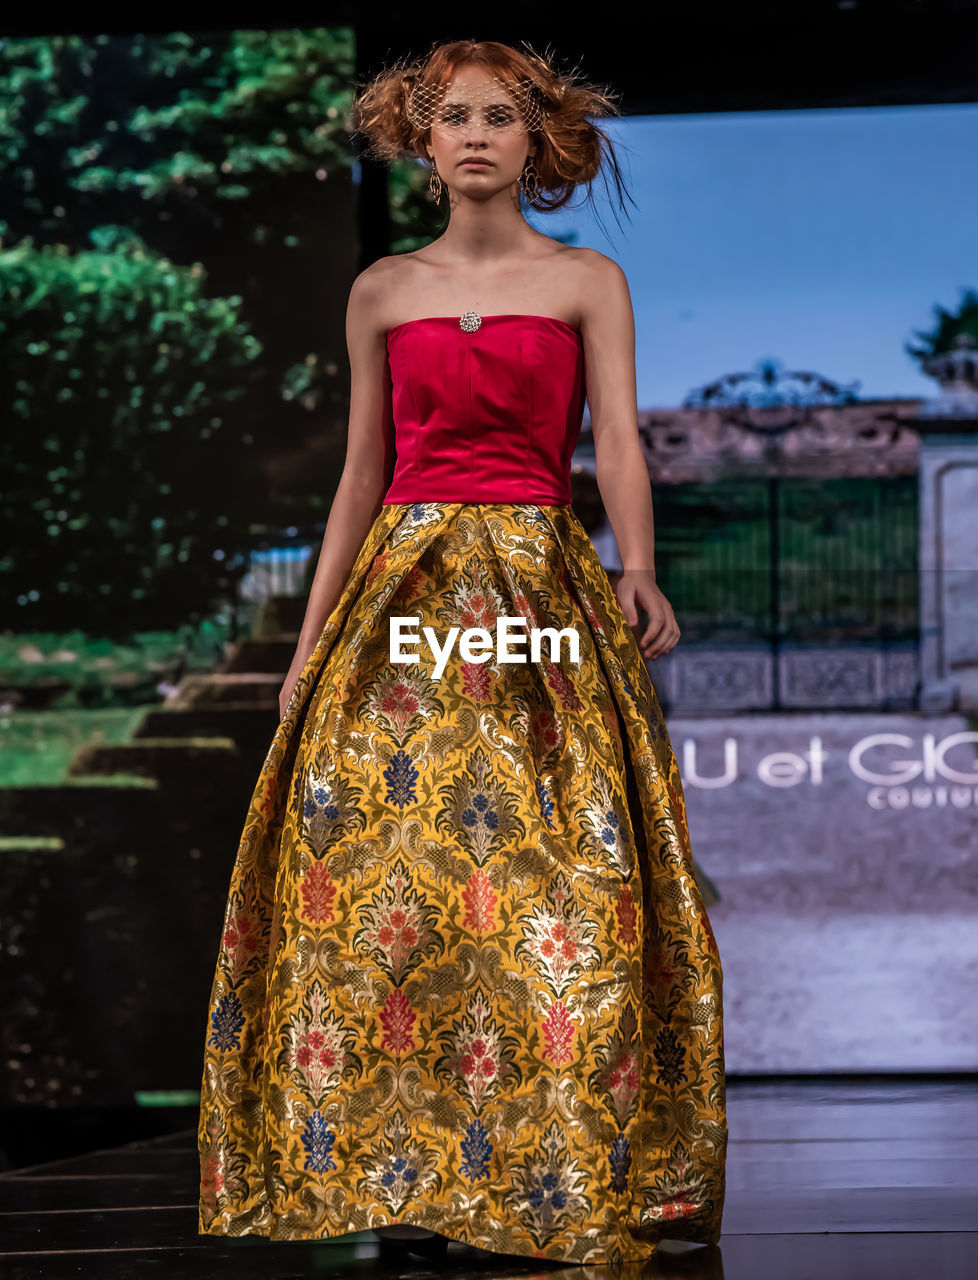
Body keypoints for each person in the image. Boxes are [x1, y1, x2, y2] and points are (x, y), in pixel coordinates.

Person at [197, 36, 727, 1269]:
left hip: (540, 584)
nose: (476, 134)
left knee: (562, 862)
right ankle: (403, 1164)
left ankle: (567, 1155)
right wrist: (314, 636)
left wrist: (635, 565)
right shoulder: (380, 289)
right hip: (402, 600)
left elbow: (623, 444)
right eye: (453, 117)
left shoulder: (589, 281)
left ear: (536, 141)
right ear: (421, 141)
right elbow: (361, 474)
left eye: (499, 115)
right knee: (392, 878)